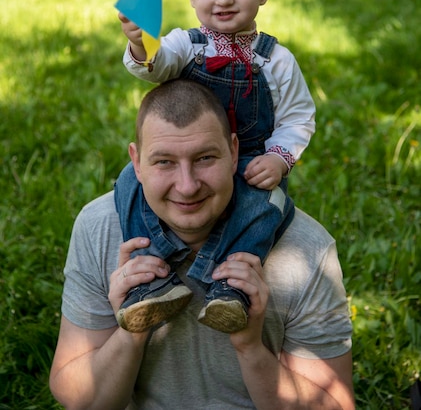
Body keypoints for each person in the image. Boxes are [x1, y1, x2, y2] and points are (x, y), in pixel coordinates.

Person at [50, 80, 354, 410]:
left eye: (205, 158)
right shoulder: (100, 227)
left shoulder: (306, 250)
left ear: (234, 151)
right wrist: (131, 331)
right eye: (164, 161)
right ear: (136, 162)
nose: (187, 185)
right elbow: (78, 400)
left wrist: (250, 347)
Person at [116, 0, 316, 334]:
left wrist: (278, 160)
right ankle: (150, 273)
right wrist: (141, 43)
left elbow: (298, 116)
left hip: (248, 163)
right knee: (127, 184)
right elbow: (157, 65)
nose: (223, 0)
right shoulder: (186, 45)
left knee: (266, 207)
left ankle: (231, 285)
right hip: (191, 158)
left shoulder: (275, 60)